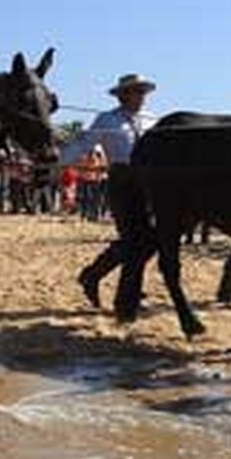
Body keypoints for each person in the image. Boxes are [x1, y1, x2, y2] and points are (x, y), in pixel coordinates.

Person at [64, 74, 159, 301]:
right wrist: (59, 161)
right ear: (122, 95)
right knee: (134, 239)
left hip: (149, 183)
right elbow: (83, 143)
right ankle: (124, 287)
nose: (140, 96)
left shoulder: (152, 120)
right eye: (135, 91)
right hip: (121, 182)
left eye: (142, 91)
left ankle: (93, 275)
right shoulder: (107, 120)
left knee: (148, 240)